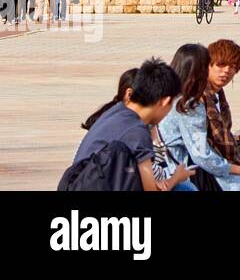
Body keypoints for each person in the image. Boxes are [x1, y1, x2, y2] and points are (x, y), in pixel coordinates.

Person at [71, 58, 191, 191]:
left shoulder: (115, 111)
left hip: (77, 184)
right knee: (184, 188)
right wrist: (177, 177)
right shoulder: (137, 131)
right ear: (165, 101)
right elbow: (150, 190)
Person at [159, 43, 240, 191]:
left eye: (233, 67)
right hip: (185, 172)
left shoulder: (171, 98)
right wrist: (239, 170)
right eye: (218, 65)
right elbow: (201, 153)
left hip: (175, 168)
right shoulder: (189, 103)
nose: (227, 71)